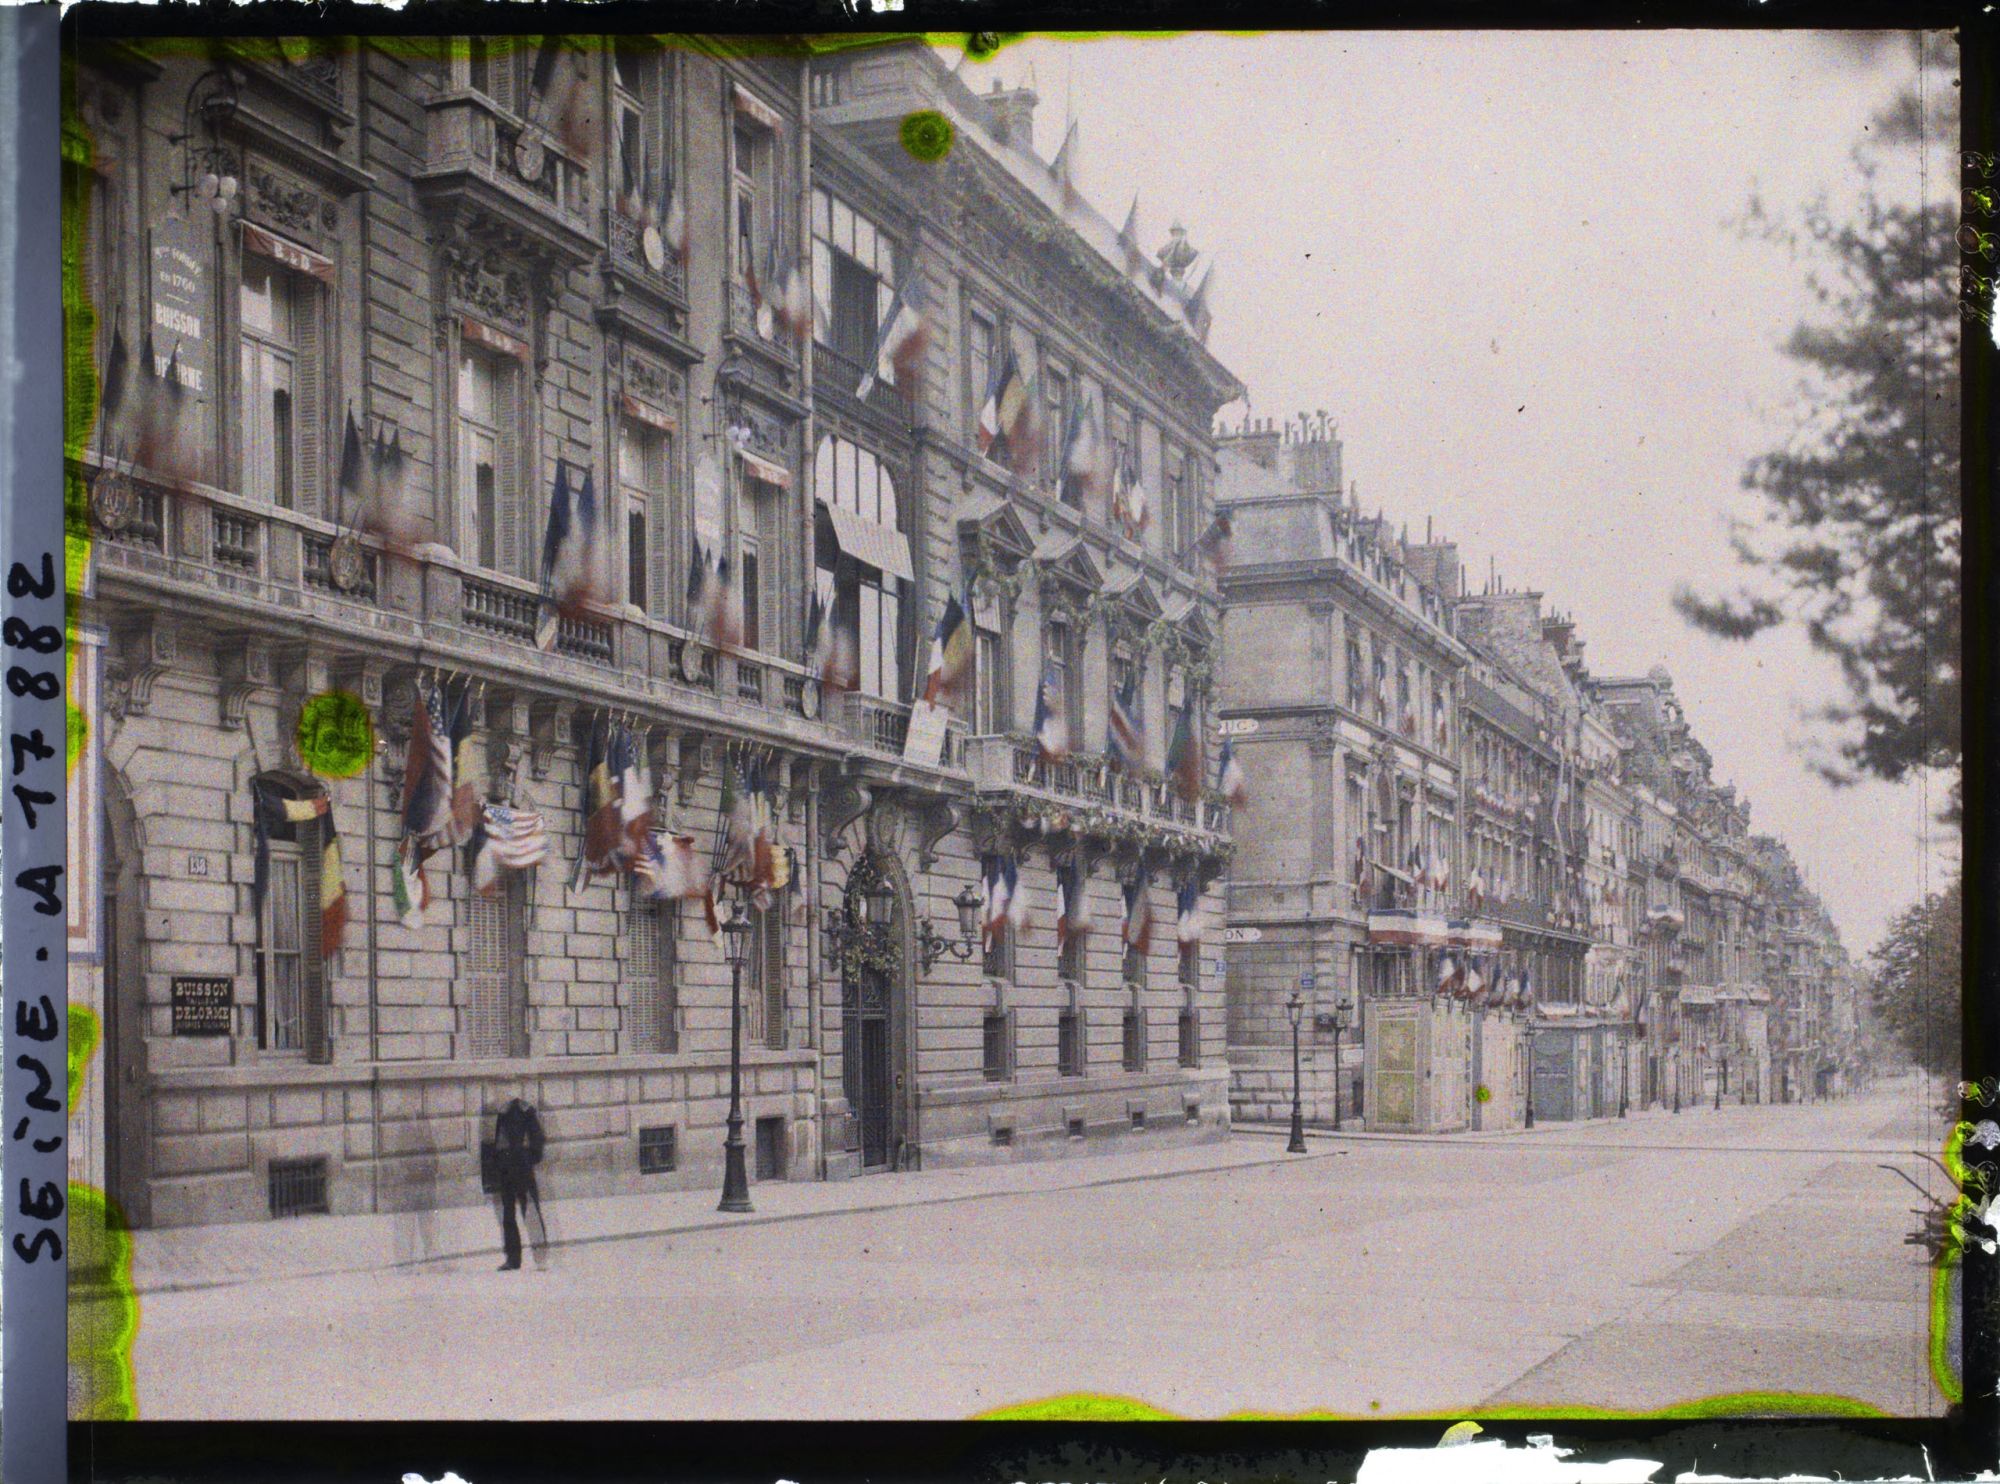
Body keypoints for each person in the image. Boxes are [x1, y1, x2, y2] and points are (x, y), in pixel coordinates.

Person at [490, 1096, 546, 1271]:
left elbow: (537, 1138)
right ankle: (513, 1259)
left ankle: (540, 1257)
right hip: (507, 1169)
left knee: (530, 1212)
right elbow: (499, 1141)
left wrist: (528, 1158)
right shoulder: (503, 1111)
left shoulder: (525, 1110)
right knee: (508, 1215)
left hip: (521, 1168)